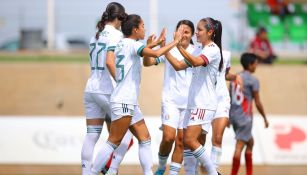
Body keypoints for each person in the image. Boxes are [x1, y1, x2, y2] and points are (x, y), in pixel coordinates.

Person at [90, 14, 183, 175]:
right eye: (142, 26)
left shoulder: (123, 43)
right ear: (135, 29)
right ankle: (92, 172)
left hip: (128, 101)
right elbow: (154, 54)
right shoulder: (132, 45)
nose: (144, 29)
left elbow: (146, 52)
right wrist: (174, 42)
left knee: (145, 138)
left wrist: (153, 44)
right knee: (114, 141)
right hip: (123, 101)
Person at [81, 2, 134, 175]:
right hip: (107, 90)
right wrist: (121, 81)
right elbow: (110, 62)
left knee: (92, 135)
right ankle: (109, 169)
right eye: (123, 18)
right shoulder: (117, 35)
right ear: (119, 17)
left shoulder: (95, 36)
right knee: (126, 136)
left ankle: (86, 172)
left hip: (90, 89)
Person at [143, 20, 196, 175]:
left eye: (187, 32)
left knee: (181, 142)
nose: (183, 35)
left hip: (189, 104)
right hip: (171, 101)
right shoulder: (170, 49)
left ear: (192, 34)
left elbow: (179, 64)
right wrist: (149, 47)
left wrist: (165, 48)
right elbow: (148, 62)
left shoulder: (196, 51)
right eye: (180, 31)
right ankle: (160, 167)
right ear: (175, 32)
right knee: (168, 138)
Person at [172, 17, 223, 175]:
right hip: (194, 103)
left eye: (200, 30)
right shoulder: (201, 49)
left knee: (189, 140)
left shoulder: (212, 49)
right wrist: (166, 49)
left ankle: (213, 172)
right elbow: (180, 66)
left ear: (210, 32)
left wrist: (179, 46)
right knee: (191, 143)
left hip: (203, 103)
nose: (197, 33)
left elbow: (194, 62)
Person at [229, 53, 269, 175]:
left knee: (250, 142)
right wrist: (264, 118)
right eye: (255, 64)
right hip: (245, 117)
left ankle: (249, 173)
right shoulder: (253, 80)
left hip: (234, 116)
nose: (256, 66)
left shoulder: (234, 77)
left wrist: (228, 117)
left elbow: (230, 97)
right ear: (250, 65)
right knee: (239, 145)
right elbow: (257, 102)